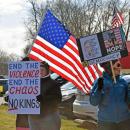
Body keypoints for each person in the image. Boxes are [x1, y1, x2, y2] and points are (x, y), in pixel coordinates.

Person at [89, 59, 130, 130]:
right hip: (105, 122)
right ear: (109, 67)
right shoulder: (100, 81)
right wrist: (98, 89)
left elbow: (128, 101)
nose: (120, 67)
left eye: (120, 65)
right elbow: (93, 102)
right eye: (118, 65)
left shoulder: (123, 82)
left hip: (124, 121)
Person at [28, 61, 62, 130]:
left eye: (42, 70)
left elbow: (58, 99)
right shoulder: (31, 83)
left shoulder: (54, 84)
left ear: (47, 71)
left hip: (49, 117)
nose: (40, 72)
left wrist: (43, 98)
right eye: (38, 70)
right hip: (33, 117)